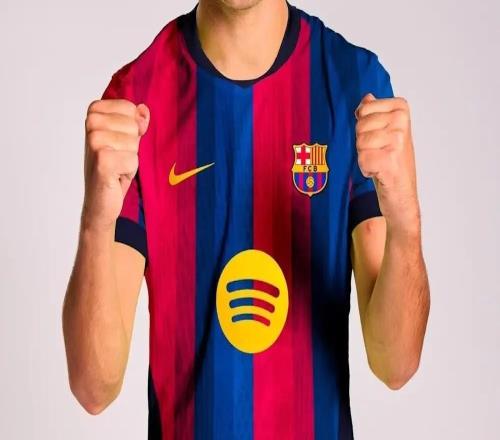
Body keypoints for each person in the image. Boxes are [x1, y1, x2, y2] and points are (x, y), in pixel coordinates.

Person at [62, 0, 430, 438]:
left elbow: (396, 364)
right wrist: (96, 220)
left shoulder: (353, 85)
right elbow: (93, 388)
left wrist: (406, 219)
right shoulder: (137, 99)